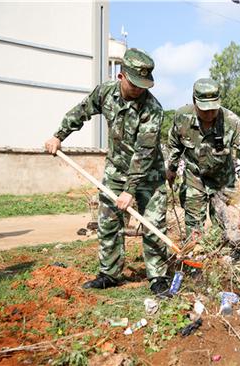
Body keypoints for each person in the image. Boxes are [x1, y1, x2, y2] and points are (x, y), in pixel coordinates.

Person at [44, 48, 172, 297]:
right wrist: (58, 136)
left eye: (143, 85)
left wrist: (130, 191)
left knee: (154, 225)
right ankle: (109, 274)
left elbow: (144, 153)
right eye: (134, 84)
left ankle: (158, 276)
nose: (138, 90)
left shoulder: (153, 110)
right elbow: (81, 111)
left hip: (149, 176)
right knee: (108, 223)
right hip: (115, 171)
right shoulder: (105, 93)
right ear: (121, 76)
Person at [165, 78, 240, 236]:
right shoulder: (182, 117)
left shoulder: (231, 122)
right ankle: (194, 256)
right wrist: (171, 168)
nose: (210, 114)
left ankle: (223, 258)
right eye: (205, 110)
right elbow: (175, 145)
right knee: (194, 226)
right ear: (194, 102)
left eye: (213, 109)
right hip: (194, 178)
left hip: (223, 181)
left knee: (226, 226)